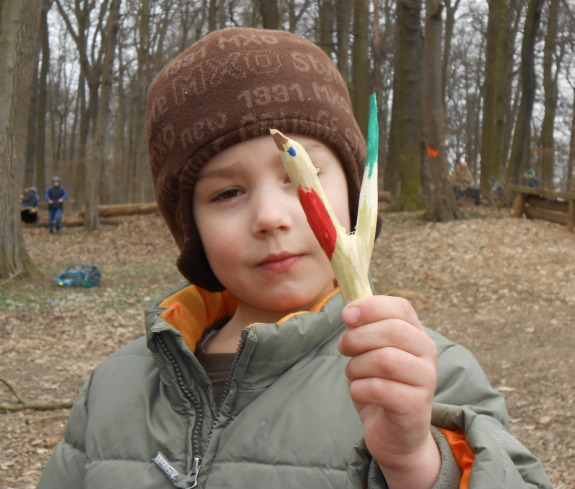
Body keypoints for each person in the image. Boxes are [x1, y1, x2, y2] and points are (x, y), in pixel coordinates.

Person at [37, 28, 551, 489]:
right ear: (191, 230)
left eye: (300, 176)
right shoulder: (113, 387)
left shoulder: (429, 372)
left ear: (355, 192)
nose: (270, 216)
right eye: (227, 193)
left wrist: (417, 462)